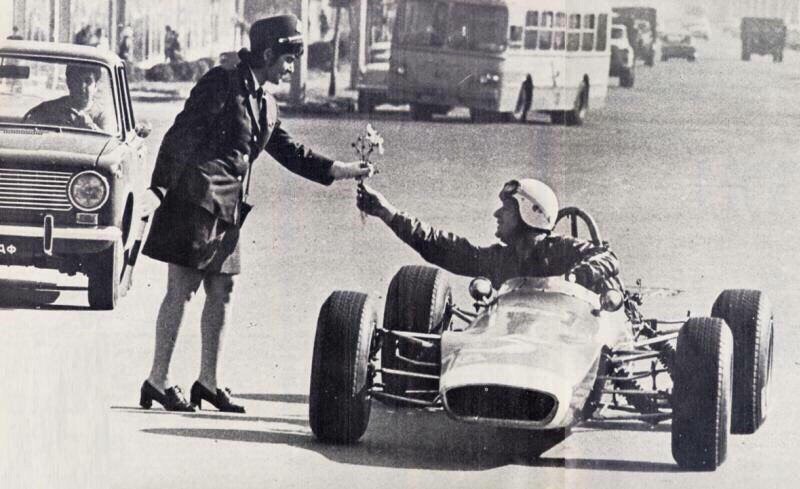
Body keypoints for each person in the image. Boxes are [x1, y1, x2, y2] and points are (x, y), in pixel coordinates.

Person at [137, 14, 373, 413]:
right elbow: (182, 133)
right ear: (267, 53)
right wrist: (158, 190)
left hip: (227, 209)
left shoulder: (266, 101)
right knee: (182, 289)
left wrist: (342, 170)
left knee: (223, 292)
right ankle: (157, 381)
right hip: (195, 200)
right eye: (288, 59)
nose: (291, 67)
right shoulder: (222, 82)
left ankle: (207, 382)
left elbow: (289, 151)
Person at [356, 179, 620, 293]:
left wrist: (577, 276)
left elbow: (607, 256)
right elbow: (441, 246)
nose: (497, 214)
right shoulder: (499, 259)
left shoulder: (561, 249)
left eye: (506, 209)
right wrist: (387, 213)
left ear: (529, 213)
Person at [23, 64, 110, 132]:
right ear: (69, 83)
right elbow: (26, 129)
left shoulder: (102, 116)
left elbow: (110, 143)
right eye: (76, 80)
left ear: (96, 87)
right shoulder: (49, 108)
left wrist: (92, 128)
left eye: (88, 81)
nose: (82, 86)